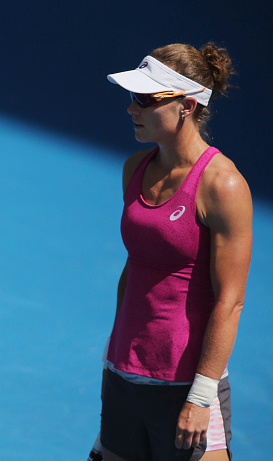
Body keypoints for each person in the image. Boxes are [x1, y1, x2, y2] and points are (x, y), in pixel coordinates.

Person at [98, 43, 252, 461]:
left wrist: (201, 396)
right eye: (132, 97)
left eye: (145, 100)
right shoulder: (135, 168)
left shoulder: (223, 186)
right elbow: (135, 267)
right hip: (123, 372)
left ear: (186, 105)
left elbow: (230, 301)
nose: (133, 109)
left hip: (186, 383)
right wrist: (113, 357)